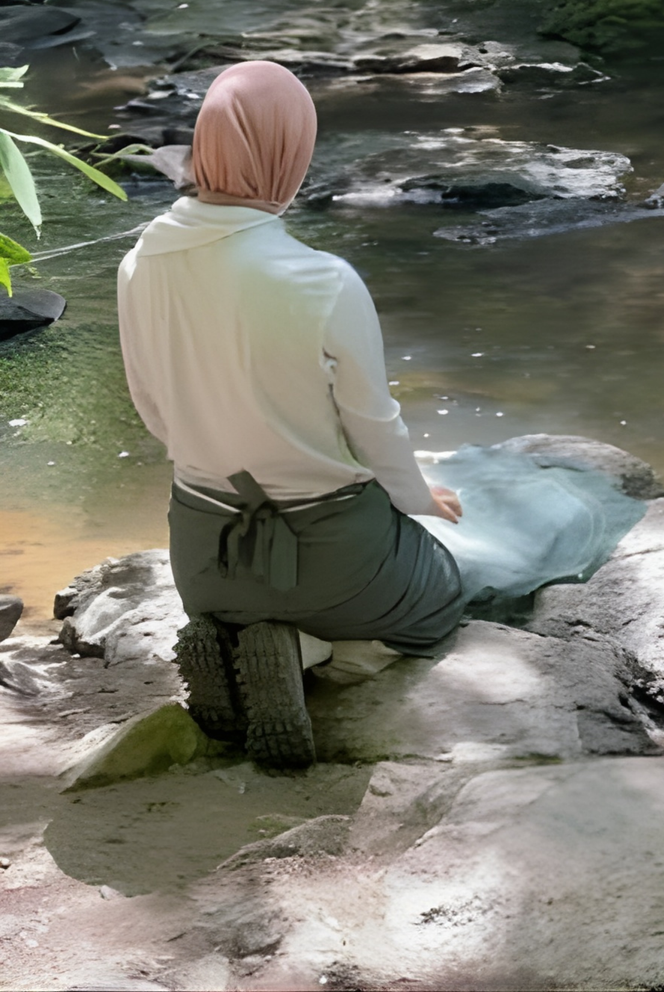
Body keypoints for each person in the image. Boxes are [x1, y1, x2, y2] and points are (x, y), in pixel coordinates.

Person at [117, 61, 468, 768]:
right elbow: (374, 425)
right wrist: (416, 498)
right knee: (442, 598)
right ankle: (311, 652)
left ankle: (234, 635)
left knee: (245, 573)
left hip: (204, 555)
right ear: (290, 155)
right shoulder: (322, 279)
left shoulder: (137, 263)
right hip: (333, 558)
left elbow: (156, 414)